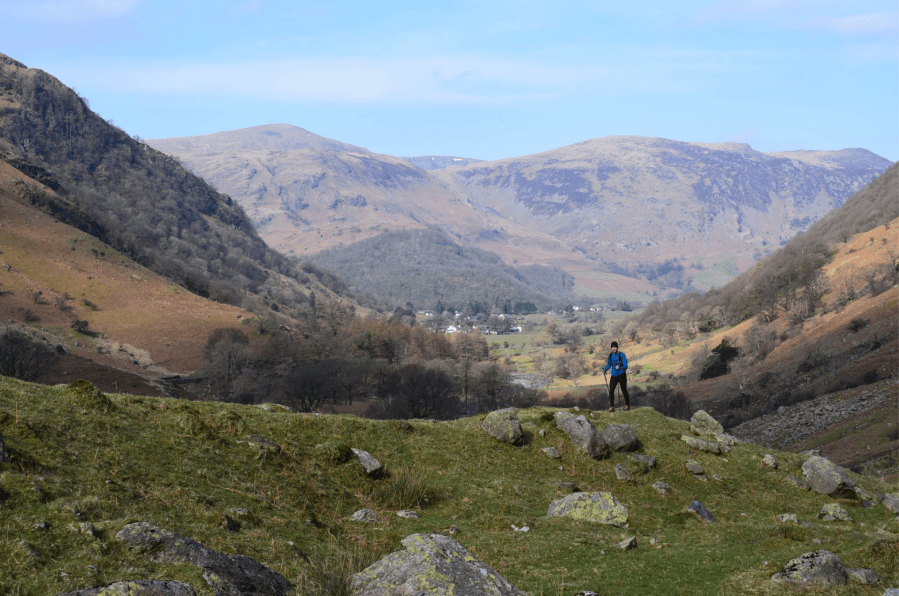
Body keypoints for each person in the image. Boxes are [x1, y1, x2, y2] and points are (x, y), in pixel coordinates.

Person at [604, 341, 630, 412]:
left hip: (622, 375)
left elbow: (626, 365)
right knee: (611, 391)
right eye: (612, 347)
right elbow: (609, 365)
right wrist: (605, 369)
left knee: (624, 390)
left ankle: (627, 405)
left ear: (617, 348)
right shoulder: (610, 356)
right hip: (614, 376)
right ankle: (612, 407)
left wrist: (620, 367)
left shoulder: (621, 355)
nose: (614, 348)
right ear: (611, 348)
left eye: (615, 347)